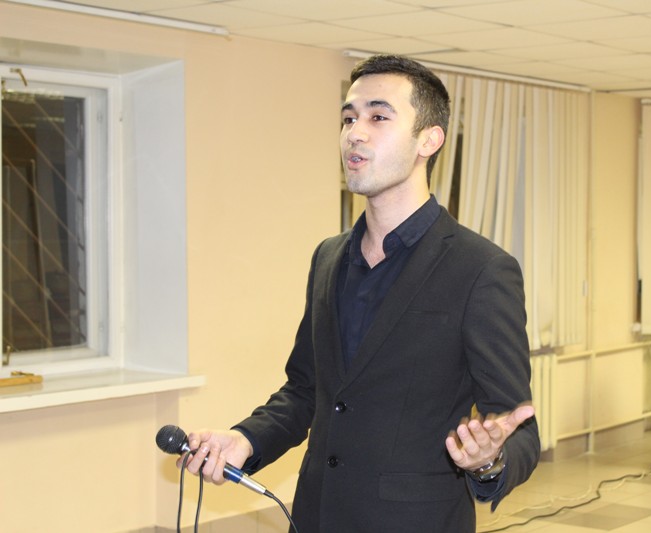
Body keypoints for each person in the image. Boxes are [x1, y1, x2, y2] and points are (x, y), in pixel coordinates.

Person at [182, 54, 540, 533]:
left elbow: (519, 428)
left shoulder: (480, 269)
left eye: (378, 117)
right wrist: (244, 440)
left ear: (429, 140)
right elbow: (306, 391)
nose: (355, 133)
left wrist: (487, 460)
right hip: (317, 516)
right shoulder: (328, 257)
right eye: (349, 118)